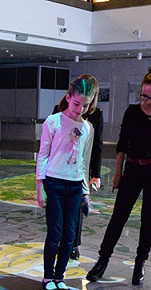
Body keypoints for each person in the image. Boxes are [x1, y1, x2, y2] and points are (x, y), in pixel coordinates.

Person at [86, 63, 151, 285]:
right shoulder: (132, 113)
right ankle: (102, 260)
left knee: (148, 219)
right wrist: (118, 173)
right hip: (133, 169)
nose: (148, 101)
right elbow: (122, 145)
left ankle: (140, 263)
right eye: (144, 96)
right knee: (119, 216)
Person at [36, 75, 97, 290]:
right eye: (76, 103)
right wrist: (40, 187)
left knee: (70, 235)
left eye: (85, 106)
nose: (80, 109)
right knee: (55, 232)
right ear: (68, 97)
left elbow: (84, 162)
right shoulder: (53, 122)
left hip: (74, 187)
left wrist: (85, 192)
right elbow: (43, 155)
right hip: (54, 183)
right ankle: (47, 277)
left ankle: (59, 277)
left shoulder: (88, 128)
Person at [52, 74, 103, 262]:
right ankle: (58, 241)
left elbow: (96, 146)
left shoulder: (96, 115)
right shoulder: (59, 110)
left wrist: (95, 174)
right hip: (59, 169)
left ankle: (73, 244)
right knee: (58, 209)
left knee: (77, 208)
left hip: (79, 169)